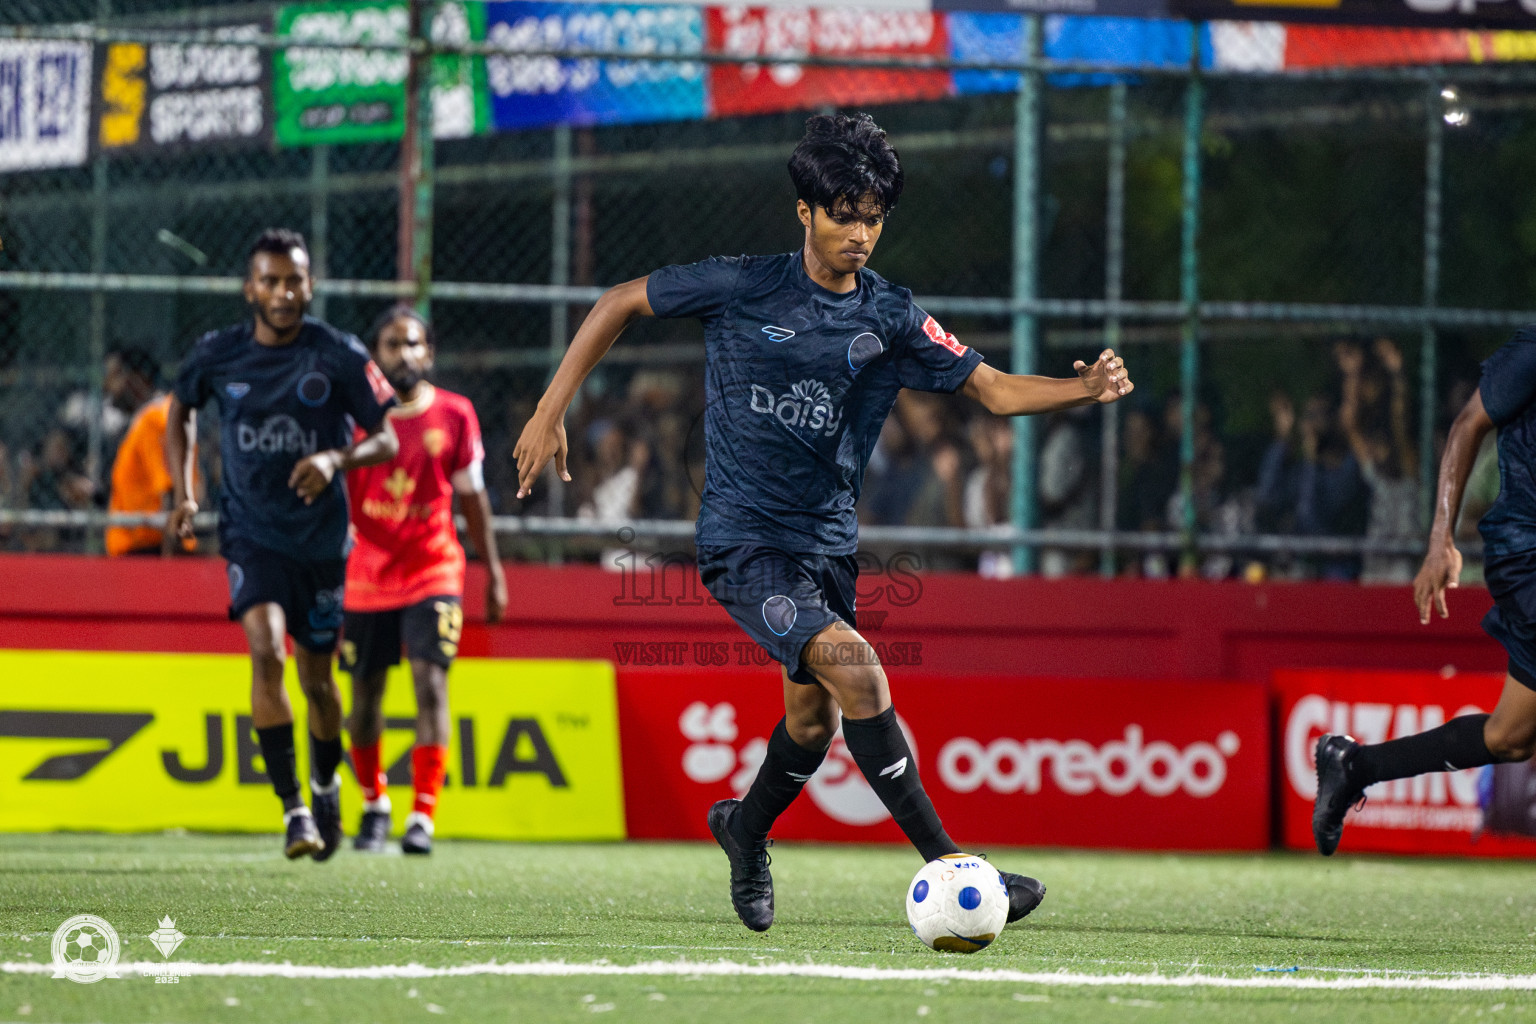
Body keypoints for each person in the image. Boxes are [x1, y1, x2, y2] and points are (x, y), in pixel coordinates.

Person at [513, 113, 1134, 931]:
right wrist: (553, 406)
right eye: (844, 213)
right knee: (862, 672)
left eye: (874, 216)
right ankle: (956, 867)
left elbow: (994, 390)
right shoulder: (743, 286)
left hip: (827, 549)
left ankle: (743, 828)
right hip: (743, 543)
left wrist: (1081, 389)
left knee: (812, 722)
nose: (861, 232)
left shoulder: (892, 317)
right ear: (805, 211)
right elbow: (621, 300)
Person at [166, 228, 399, 861]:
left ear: (309, 285)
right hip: (250, 535)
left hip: (321, 543)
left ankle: (327, 785)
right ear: (251, 289)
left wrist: (335, 457)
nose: (282, 292)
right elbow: (180, 409)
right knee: (266, 653)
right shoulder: (218, 354)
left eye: (293, 280)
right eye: (270, 281)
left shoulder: (339, 354)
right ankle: (295, 809)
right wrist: (186, 491)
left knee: (320, 683)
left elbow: (388, 438)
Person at [1313, 327, 1536, 856]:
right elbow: (1467, 425)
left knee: (1510, 736)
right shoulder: (1531, 352)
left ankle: (1353, 766)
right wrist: (1441, 540)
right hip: (1528, 550)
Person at [341, 304, 507, 856]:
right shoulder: (355, 417)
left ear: (429, 353)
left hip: (434, 566)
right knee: (364, 695)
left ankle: (423, 817)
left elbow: (473, 498)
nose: (404, 354)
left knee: (430, 683)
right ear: (376, 355)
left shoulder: (455, 414)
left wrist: (494, 571)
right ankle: (373, 804)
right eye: (392, 344)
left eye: (413, 344)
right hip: (367, 572)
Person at [104, 346, 198, 557]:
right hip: (146, 549)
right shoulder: (161, 415)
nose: (107, 386)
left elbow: (170, 491)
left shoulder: (154, 420)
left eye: (114, 377)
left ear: (136, 379)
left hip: (149, 554)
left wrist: (166, 568)